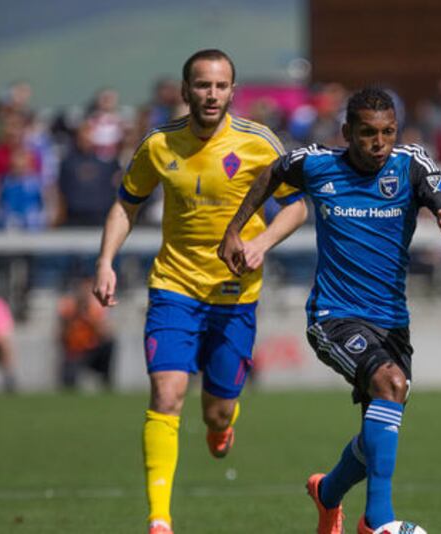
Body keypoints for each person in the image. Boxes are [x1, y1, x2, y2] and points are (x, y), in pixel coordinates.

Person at [218, 87, 441, 534]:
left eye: (388, 132)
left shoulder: (409, 163)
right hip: (333, 317)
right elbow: (271, 173)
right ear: (347, 132)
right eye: (369, 133)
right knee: (389, 384)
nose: (380, 143)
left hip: (392, 322)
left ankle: (327, 493)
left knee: (379, 430)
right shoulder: (317, 164)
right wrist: (235, 231)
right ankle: (378, 522)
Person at [91, 49, 308, 534]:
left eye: (220, 86)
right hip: (174, 288)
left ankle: (221, 425)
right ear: (186, 91)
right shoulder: (158, 145)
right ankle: (159, 519)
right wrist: (105, 261)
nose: (211, 94)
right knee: (167, 394)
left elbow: (296, 208)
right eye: (202, 85)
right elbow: (126, 206)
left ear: (233, 91)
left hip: (235, 297)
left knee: (217, 411)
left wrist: (260, 243)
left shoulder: (259, 143)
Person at [58, 277, 114, 390]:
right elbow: (61, 334)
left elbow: (105, 334)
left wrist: (89, 319)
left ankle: (106, 380)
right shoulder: (69, 308)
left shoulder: (95, 309)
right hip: (74, 351)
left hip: (91, 350)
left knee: (109, 345)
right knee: (68, 383)